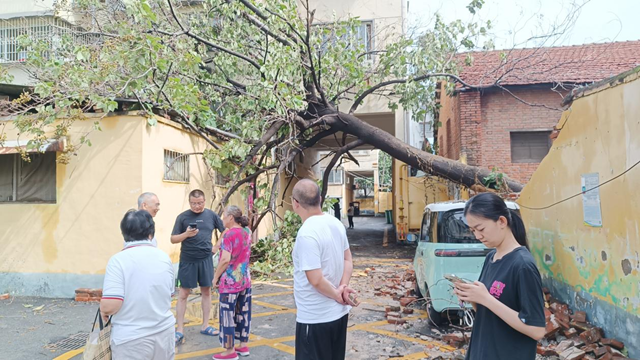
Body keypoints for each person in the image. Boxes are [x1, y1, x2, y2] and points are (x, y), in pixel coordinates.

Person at [453, 193, 545, 360]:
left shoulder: (523, 265)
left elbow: (536, 330)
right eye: (473, 230)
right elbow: (487, 312)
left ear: (502, 221)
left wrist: (486, 298)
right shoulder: (492, 257)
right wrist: (473, 297)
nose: (477, 236)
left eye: (480, 229)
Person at [291, 179, 359, 360]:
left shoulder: (307, 233)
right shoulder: (335, 223)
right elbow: (347, 259)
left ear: (295, 203)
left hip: (315, 319)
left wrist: (338, 294)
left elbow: (316, 279)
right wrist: (343, 287)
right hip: (338, 316)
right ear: (320, 199)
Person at [100, 210, 176, 359]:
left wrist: (103, 309)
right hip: (164, 333)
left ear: (124, 233)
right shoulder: (164, 257)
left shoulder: (118, 261)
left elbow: (111, 304)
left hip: (131, 339)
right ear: (150, 233)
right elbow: (169, 293)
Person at [171, 189, 225, 345]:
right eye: (194, 203)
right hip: (187, 260)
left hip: (206, 259)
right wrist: (186, 234)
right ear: (189, 203)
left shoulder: (211, 215)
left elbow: (225, 230)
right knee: (183, 294)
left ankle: (205, 325)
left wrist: (216, 247)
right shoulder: (182, 217)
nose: (197, 206)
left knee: (206, 291)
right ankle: (179, 329)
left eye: (200, 203)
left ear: (204, 201)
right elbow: (173, 239)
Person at [212, 205, 252, 360]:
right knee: (243, 312)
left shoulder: (229, 235)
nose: (222, 219)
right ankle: (243, 345)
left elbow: (225, 259)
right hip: (244, 279)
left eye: (224, 216)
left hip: (230, 282)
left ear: (230, 217)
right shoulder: (247, 232)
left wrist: (215, 277)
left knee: (227, 315)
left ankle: (229, 350)